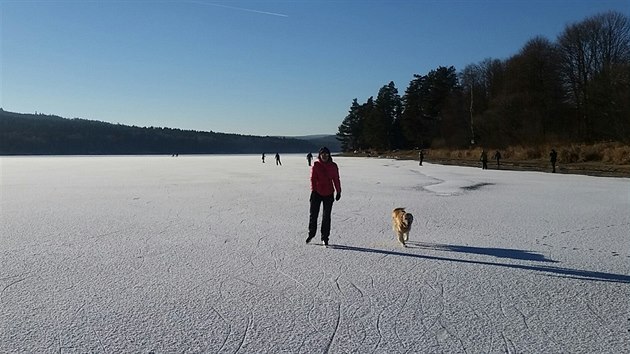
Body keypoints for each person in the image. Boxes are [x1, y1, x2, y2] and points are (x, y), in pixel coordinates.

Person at [307, 147, 341, 247]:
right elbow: (312, 178)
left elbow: (336, 179)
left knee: (326, 217)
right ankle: (311, 234)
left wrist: (338, 191)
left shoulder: (333, 166)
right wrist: (313, 190)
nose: (324, 156)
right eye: (323, 154)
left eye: (326, 154)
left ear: (329, 155)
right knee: (313, 215)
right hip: (317, 192)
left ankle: (325, 237)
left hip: (329, 193)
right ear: (320, 155)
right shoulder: (316, 165)